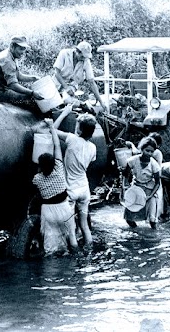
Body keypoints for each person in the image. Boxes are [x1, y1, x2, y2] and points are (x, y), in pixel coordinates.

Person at [53, 104, 97, 250]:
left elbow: (52, 130)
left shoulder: (71, 139)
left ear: (78, 129)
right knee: (84, 226)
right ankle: (89, 254)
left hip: (71, 190)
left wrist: (64, 113)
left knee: (71, 230)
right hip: (84, 189)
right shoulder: (93, 147)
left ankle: (75, 256)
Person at [32, 118, 78, 256]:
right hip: (64, 208)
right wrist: (52, 127)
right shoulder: (58, 168)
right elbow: (57, 146)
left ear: (40, 166)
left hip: (48, 212)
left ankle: (51, 269)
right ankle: (77, 259)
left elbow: (39, 172)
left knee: (50, 245)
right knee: (72, 238)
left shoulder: (37, 179)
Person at [0, 36, 44, 109]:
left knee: (29, 94)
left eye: (24, 49)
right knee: (31, 100)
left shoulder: (12, 55)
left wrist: (34, 78)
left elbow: (18, 76)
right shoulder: (7, 60)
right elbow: (13, 85)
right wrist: (32, 93)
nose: (23, 52)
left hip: (2, 89)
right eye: (20, 49)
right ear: (12, 46)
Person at [122, 136, 161, 229]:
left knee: (152, 220)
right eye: (147, 150)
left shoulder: (154, 165)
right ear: (141, 149)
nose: (149, 153)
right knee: (129, 218)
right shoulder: (132, 160)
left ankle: (154, 237)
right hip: (136, 188)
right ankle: (136, 232)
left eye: (152, 151)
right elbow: (125, 176)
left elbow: (157, 183)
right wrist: (125, 189)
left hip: (149, 190)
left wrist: (150, 196)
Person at [52, 41, 105, 109]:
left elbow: (91, 81)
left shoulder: (86, 61)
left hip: (71, 85)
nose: (84, 58)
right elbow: (57, 73)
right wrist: (66, 87)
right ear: (77, 51)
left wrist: (100, 101)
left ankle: (81, 105)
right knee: (50, 102)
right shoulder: (64, 53)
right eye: (82, 56)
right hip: (57, 82)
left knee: (67, 100)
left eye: (85, 57)